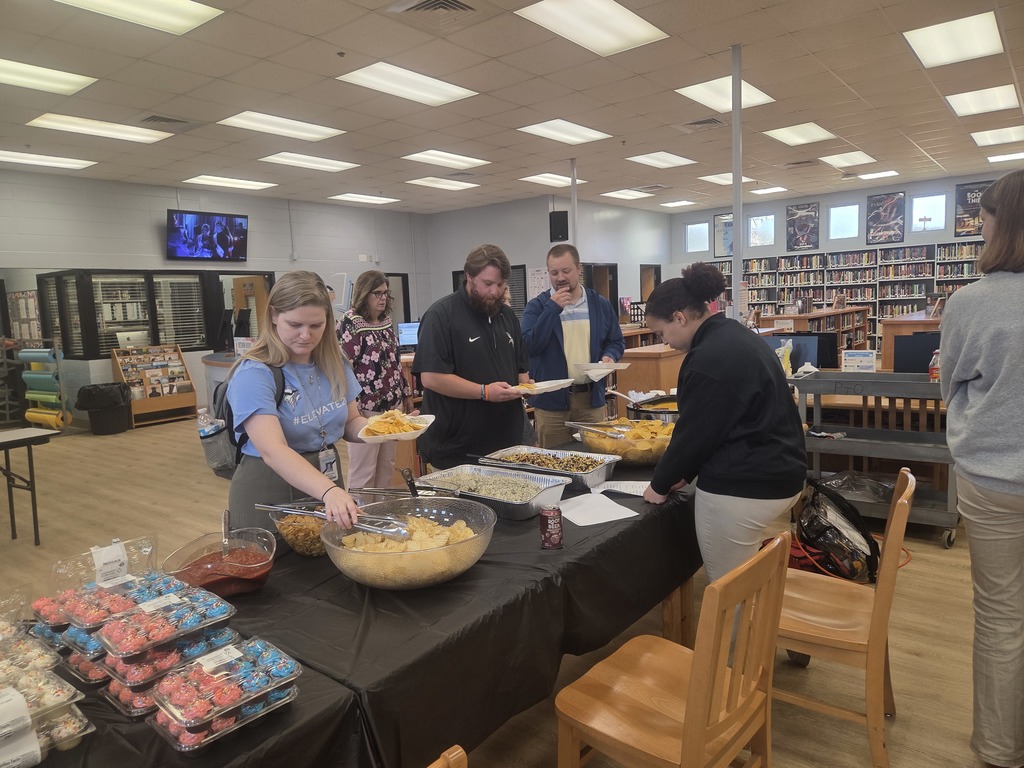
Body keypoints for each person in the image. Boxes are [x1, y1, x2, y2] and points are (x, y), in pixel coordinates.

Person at [641, 263, 807, 582]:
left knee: (728, 587)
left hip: (745, 486)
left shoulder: (708, 358)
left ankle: (736, 633)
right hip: (782, 472)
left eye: (661, 332)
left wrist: (660, 484)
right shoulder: (735, 335)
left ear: (679, 317)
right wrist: (684, 474)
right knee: (741, 578)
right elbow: (722, 420)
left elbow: (695, 433)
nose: (664, 342)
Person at [940, 169, 1024, 768]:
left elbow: (951, 387)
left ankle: (999, 749)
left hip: (993, 479)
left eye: (984, 219)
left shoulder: (972, 301)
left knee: (1000, 615)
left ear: (1002, 224)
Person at [226, 270, 367, 531]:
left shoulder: (335, 363)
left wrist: (384, 429)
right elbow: (273, 451)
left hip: (325, 481)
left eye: (316, 326)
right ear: (274, 316)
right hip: (270, 486)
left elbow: (351, 422)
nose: (306, 335)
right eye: (295, 325)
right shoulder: (255, 373)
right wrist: (329, 492)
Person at [413, 244, 531, 469]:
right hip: (457, 450)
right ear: (469, 276)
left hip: (507, 447)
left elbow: (520, 371)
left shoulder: (508, 316)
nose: (495, 292)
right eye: (487, 284)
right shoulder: (441, 316)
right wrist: (484, 392)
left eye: (500, 284)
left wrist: (527, 387)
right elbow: (431, 378)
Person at [521, 244, 625, 448]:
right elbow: (529, 346)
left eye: (566, 271)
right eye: (554, 272)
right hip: (551, 404)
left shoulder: (600, 304)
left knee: (597, 456)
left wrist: (609, 356)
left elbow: (616, 341)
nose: (560, 277)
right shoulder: (537, 306)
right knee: (554, 463)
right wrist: (552, 309)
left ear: (579, 269)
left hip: (590, 399)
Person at [337, 270, 414, 493]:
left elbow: (394, 362)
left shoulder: (385, 322)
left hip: (392, 407)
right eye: (377, 293)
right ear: (364, 293)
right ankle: (360, 520)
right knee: (364, 471)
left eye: (386, 293)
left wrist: (406, 394)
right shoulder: (351, 323)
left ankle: (379, 515)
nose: (383, 298)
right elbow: (344, 368)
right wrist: (353, 409)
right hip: (365, 410)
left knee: (387, 467)